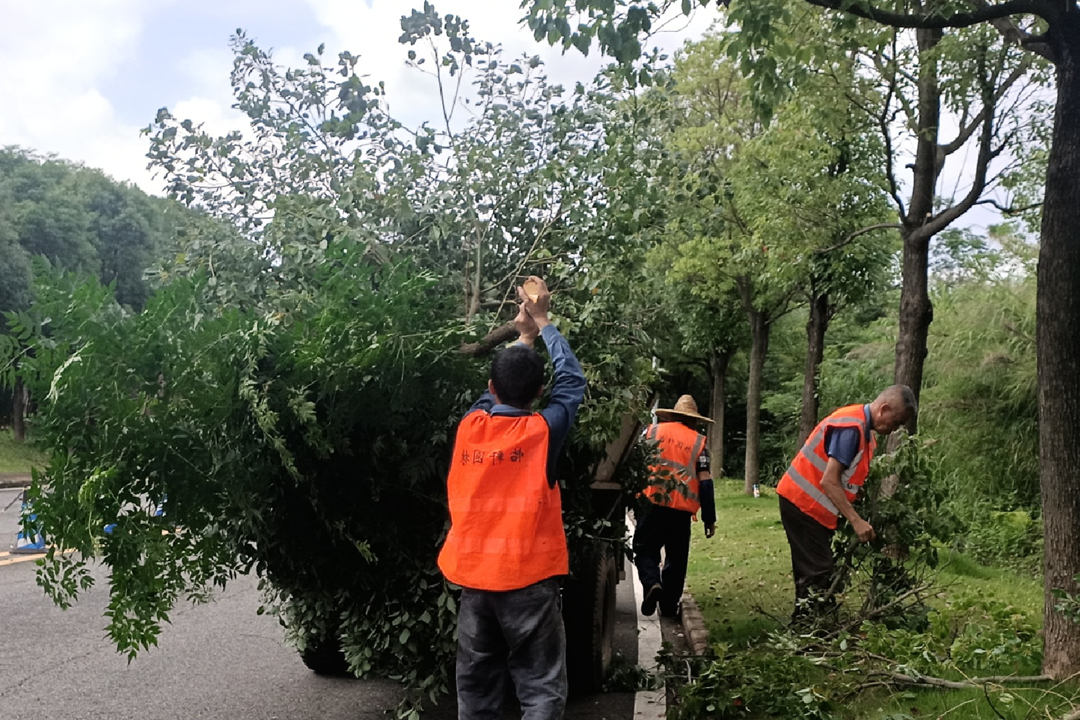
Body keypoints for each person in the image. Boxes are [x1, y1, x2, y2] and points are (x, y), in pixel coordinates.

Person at [437, 276, 586, 720]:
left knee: (477, 691)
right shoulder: (542, 432)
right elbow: (573, 381)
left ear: (491, 387)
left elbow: (498, 390)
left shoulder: (471, 426)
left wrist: (524, 336)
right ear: (540, 394)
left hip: (474, 584)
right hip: (528, 583)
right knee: (539, 687)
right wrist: (544, 323)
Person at [776, 384, 918, 622]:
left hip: (812, 507)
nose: (894, 429)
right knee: (817, 571)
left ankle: (811, 625)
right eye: (895, 422)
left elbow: (845, 478)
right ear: (883, 409)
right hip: (802, 503)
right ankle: (808, 629)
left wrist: (855, 498)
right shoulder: (851, 428)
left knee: (814, 569)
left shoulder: (864, 432)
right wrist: (856, 520)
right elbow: (829, 481)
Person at [633, 394, 716, 619]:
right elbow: (705, 480)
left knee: (644, 549)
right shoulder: (698, 441)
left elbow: (636, 464)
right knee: (676, 559)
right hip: (680, 510)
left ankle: (651, 583)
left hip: (650, 503)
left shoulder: (651, 432)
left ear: (672, 416)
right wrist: (710, 517)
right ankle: (669, 606)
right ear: (694, 420)